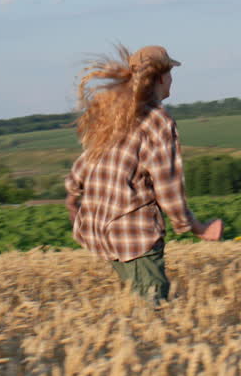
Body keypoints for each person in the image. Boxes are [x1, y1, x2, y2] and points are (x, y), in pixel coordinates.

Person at [65, 44, 223, 304]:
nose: (172, 79)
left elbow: (86, 162)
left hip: (101, 230)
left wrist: (73, 198)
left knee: (136, 309)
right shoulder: (158, 121)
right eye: (171, 73)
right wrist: (199, 228)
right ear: (161, 77)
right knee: (152, 313)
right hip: (134, 232)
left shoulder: (117, 115)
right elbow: (168, 188)